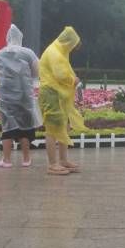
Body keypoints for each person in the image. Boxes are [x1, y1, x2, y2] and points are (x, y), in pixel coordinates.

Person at [0, 24, 41, 169]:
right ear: (20, 38)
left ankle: (6, 160)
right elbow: (36, 72)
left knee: (7, 127)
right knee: (25, 127)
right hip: (24, 95)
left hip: (5, 96)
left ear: (7, 37)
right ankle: (26, 159)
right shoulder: (28, 53)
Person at [38, 26, 85, 175]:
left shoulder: (59, 51)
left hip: (59, 94)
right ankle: (52, 164)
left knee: (65, 126)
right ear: (68, 43)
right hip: (51, 93)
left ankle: (63, 160)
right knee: (52, 129)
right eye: (72, 46)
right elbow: (61, 75)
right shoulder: (55, 53)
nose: (72, 50)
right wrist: (74, 80)